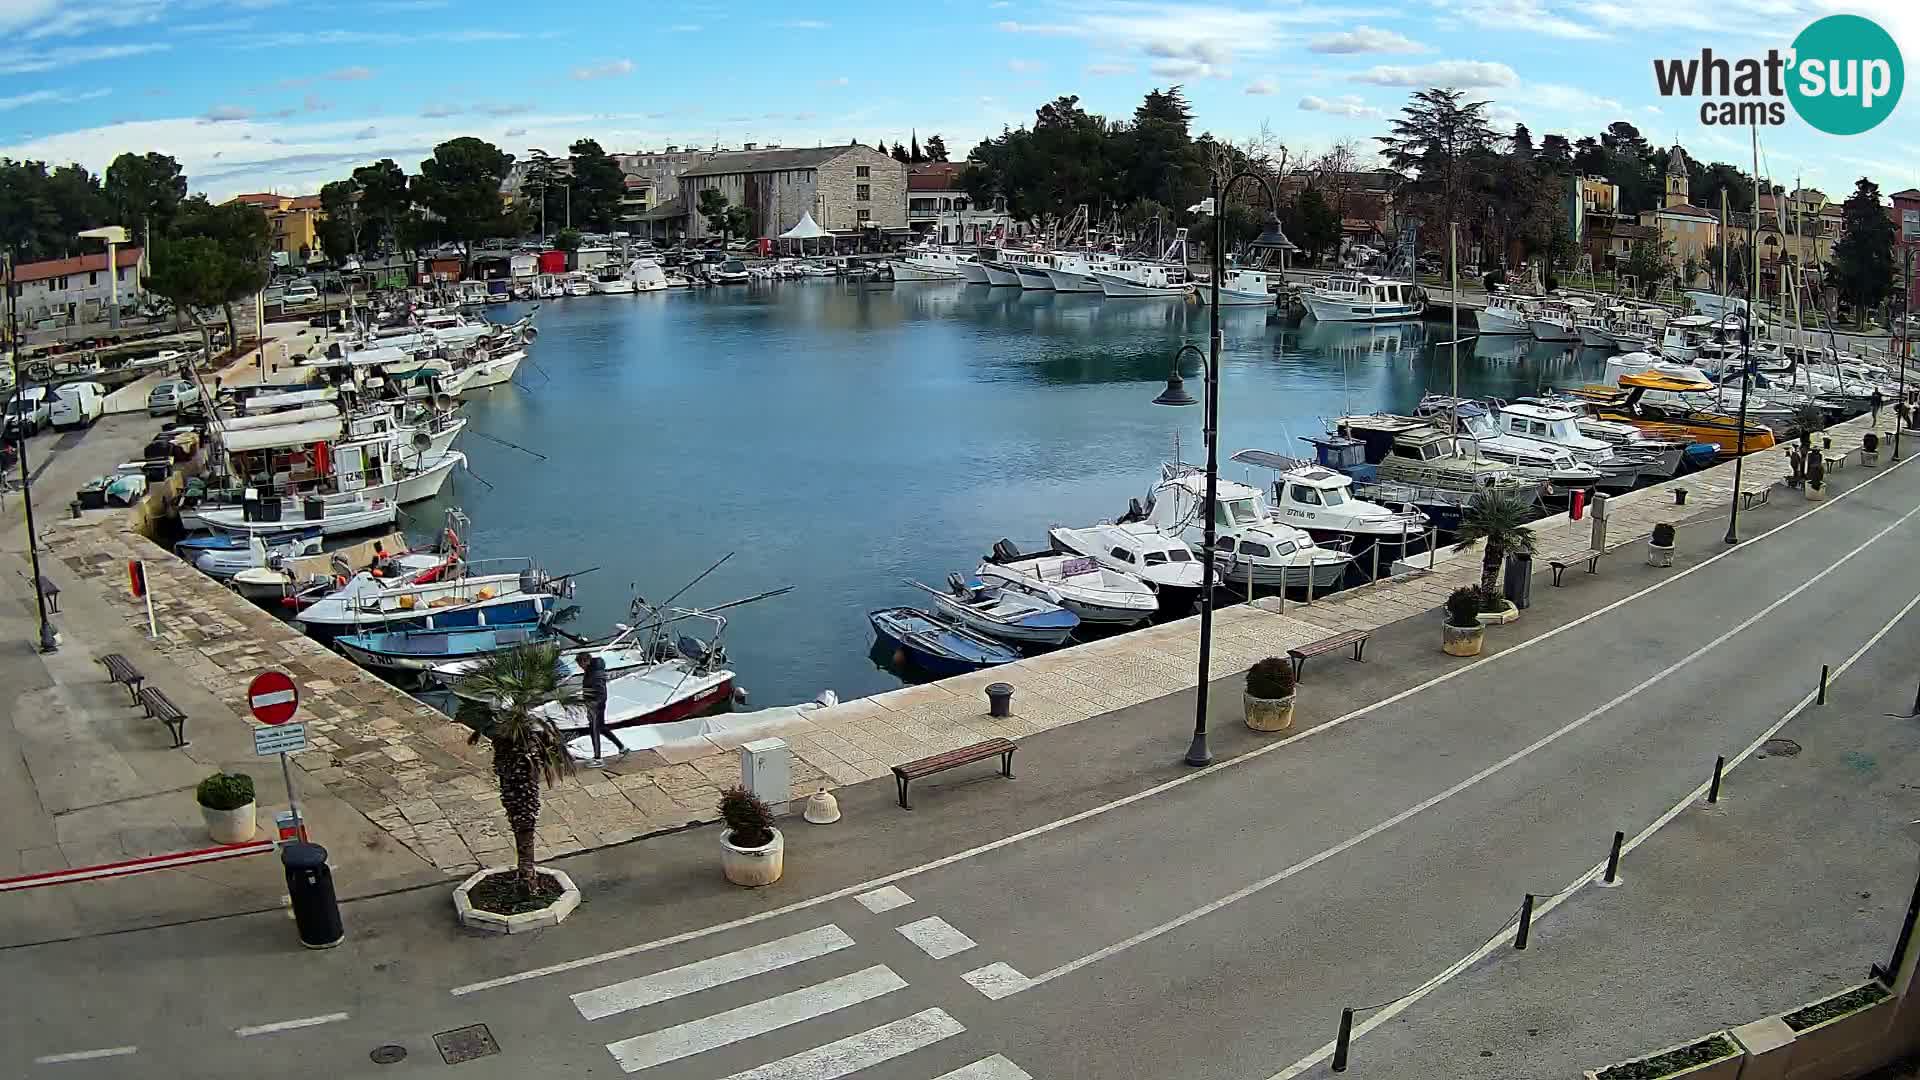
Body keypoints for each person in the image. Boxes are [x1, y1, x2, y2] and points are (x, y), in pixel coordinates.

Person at [576, 651, 623, 765]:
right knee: (601, 728)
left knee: (594, 730)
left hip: (596, 705)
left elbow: (600, 691)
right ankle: (621, 747)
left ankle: (598, 759)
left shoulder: (595, 673)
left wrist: (592, 706)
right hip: (595, 704)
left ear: (585, 661)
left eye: (580, 664)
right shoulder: (592, 670)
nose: (580, 667)